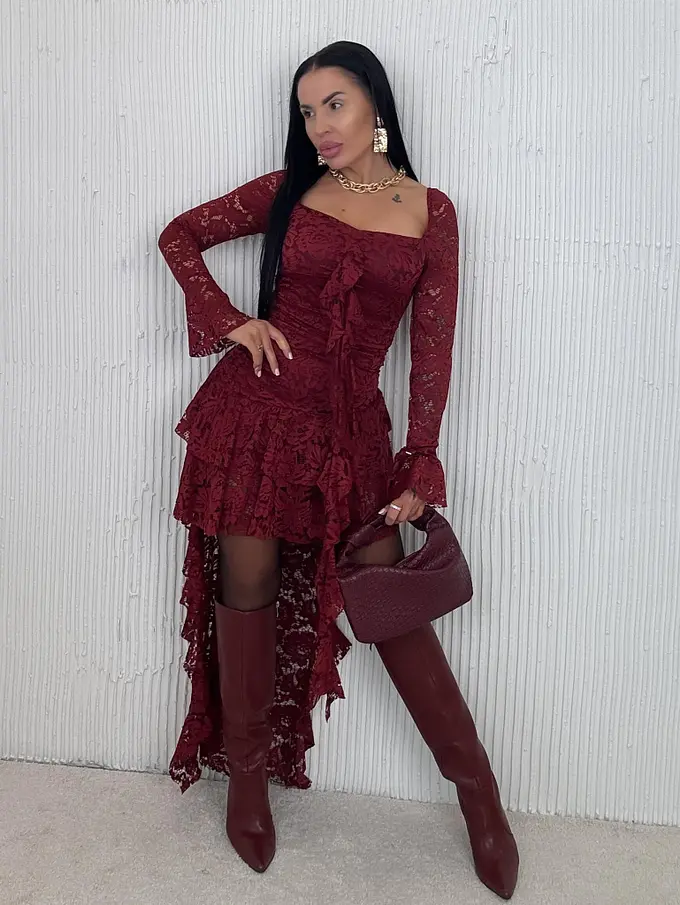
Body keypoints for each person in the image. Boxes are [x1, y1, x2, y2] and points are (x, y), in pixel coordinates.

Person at [158, 40, 519, 900]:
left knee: (390, 609)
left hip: (353, 440)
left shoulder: (431, 212)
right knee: (247, 588)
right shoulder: (289, 191)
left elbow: (433, 347)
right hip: (257, 421)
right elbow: (179, 236)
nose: (319, 124)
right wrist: (232, 320)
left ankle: (479, 792)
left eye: (335, 103)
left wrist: (420, 457)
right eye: (307, 110)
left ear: (375, 105)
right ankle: (247, 781)